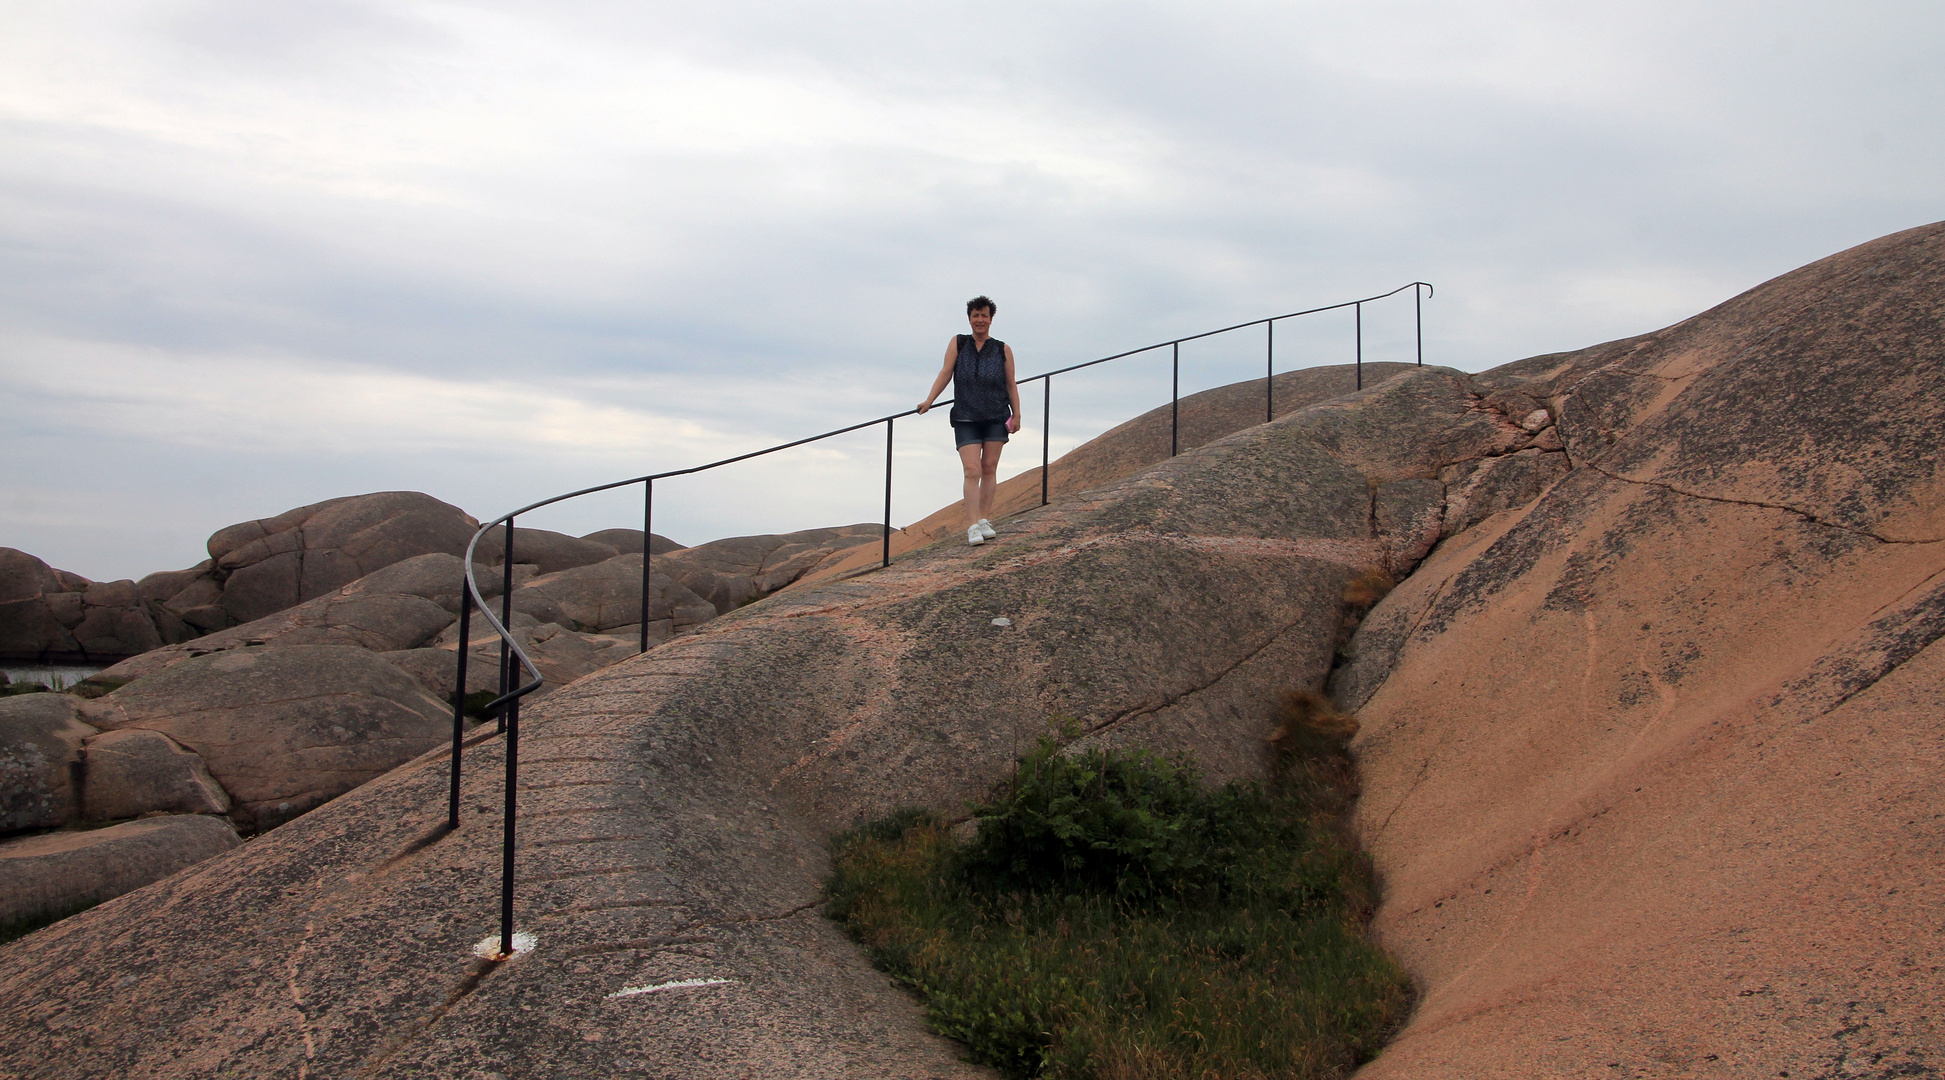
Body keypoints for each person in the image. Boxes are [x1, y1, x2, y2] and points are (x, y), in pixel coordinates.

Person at [917, 295, 1022, 546]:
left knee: (989, 468)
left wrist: (1016, 414)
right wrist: (929, 400)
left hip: (996, 415)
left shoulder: (1001, 348)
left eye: (984, 315)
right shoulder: (959, 343)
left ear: (991, 319)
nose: (980, 320)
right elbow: (945, 373)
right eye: (975, 315)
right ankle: (973, 525)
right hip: (966, 416)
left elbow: (1010, 383)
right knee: (971, 469)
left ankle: (985, 520)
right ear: (969, 318)